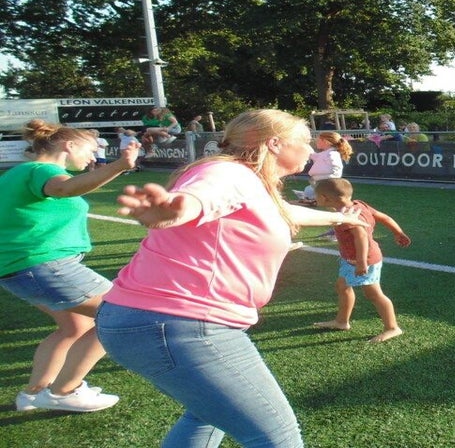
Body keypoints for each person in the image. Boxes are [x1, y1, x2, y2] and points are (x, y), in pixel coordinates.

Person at [96, 109, 367, 447]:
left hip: (151, 319)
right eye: (304, 140)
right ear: (275, 143)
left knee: (207, 414)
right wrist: (173, 211)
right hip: (179, 322)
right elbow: (199, 198)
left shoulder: (249, 181)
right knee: (277, 438)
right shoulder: (227, 173)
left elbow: (283, 211)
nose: (311, 149)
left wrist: (341, 217)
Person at [1, 120, 139, 413]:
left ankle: (33, 393)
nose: (92, 157)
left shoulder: (20, 172)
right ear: (69, 145)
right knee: (124, 314)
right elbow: (65, 189)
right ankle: (65, 390)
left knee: (75, 327)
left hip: (22, 269)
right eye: (90, 150)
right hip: (42, 265)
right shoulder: (42, 170)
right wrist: (120, 165)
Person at [310, 178, 411, 343]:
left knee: (373, 294)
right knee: (342, 286)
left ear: (325, 198)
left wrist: (362, 262)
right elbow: (383, 217)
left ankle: (392, 327)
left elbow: (361, 237)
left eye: (316, 196)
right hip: (351, 259)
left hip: (364, 260)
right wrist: (398, 232)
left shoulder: (348, 216)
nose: (315, 199)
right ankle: (342, 321)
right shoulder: (359, 205)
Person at [302, 131, 353, 202]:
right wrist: (303, 143)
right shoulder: (326, 154)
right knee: (308, 191)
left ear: (326, 142)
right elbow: (312, 154)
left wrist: (326, 180)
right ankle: (312, 199)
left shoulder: (332, 154)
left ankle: (316, 200)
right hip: (320, 184)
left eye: (319, 140)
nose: (316, 142)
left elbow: (336, 170)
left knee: (309, 191)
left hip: (326, 185)